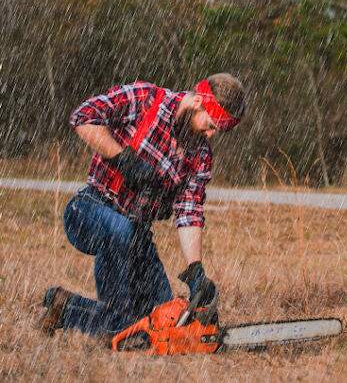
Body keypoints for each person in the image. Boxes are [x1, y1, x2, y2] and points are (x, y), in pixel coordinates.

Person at [36, 73, 246, 342]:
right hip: (90, 209)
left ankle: (66, 308)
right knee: (121, 231)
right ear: (197, 100)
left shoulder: (201, 156)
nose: (211, 134)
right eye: (211, 124)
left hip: (137, 234)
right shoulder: (146, 99)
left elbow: (189, 211)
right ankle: (116, 325)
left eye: (219, 129)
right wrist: (122, 159)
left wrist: (195, 271)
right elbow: (83, 116)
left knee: (161, 329)